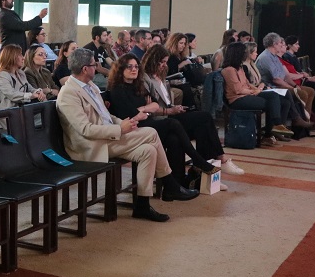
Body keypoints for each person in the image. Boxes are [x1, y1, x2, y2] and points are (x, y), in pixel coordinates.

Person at [56, 48, 195, 223]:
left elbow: (105, 116)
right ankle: (170, 184)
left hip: (107, 137)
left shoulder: (90, 86)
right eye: (94, 65)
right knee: (151, 133)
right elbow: (85, 130)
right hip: (91, 145)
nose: (97, 67)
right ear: (85, 69)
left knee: (148, 151)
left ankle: (142, 205)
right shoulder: (68, 93)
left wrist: (124, 122)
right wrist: (120, 129)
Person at [107, 54, 225, 187]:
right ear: (121, 69)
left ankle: (178, 183)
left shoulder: (137, 86)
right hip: (136, 130)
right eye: (129, 67)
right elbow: (130, 116)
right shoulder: (118, 90)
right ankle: (198, 160)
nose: (134, 69)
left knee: (175, 137)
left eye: (136, 66)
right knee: (173, 123)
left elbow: (155, 104)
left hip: (148, 123)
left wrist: (144, 109)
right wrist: (144, 111)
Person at [139, 45, 243, 178]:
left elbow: (164, 101)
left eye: (165, 62)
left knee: (202, 128)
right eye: (162, 62)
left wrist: (175, 108)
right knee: (204, 117)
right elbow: (150, 109)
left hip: (170, 114)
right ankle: (218, 160)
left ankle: (203, 175)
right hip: (161, 120)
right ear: (153, 60)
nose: (164, 65)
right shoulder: (145, 79)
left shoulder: (161, 76)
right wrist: (169, 110)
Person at [221, 42, 293, 146]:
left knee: (279, 99)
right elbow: (238, 90)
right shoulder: (229, 70)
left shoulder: (239, 68)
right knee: (271, 104)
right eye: (243, 52)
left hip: (247, 95)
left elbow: (247, 84)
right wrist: (254, 92)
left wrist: (257, 89)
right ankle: (271, 131)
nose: (245, 54)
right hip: (237, 99)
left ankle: (276, 126)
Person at [0, 44, 45, 109]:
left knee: (44, 103)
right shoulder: (3, 75)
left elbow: (30, 88)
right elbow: (11, 94)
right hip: (9, 111)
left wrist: (38, 92)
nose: (23, 58)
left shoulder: (20, 73)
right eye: (20, 55)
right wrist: (31, 95)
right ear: (12, 57)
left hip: (23, 107)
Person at [83, 26, 114, 91]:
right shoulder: (89, 49)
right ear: (97, 37)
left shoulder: (100, 48)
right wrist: (114, 74)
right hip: (92, 77)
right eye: (104, 36)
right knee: (115, 82)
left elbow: (111, 62)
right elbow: (99, 69)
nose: (106, 38)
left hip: (101, 75)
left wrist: (120, 68)